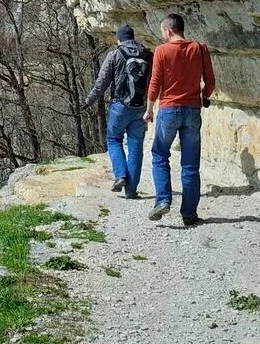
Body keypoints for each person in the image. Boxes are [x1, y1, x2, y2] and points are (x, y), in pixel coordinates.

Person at [144, 13, 215, 226]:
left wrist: (149, 110)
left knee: (159, 154)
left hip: (168, 110)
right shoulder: (199, 49)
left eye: (162, 32)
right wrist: (204, 97)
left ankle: (163, 200)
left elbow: (155, 83)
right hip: (192, 110)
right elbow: (209, 81)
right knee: (191, 165)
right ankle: (189, 214)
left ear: (168, 30)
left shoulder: (162, 51)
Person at [86, 24, 153, 198]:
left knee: (114, 139)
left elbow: (101, 83)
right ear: (133, 37)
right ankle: (131, 191)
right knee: (136, 147)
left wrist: (89, 100)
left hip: (120, 106)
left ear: (119, 38)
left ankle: (120, 175)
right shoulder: (147, 54)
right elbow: (154, 82)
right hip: (140, 107)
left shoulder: (115, 54)